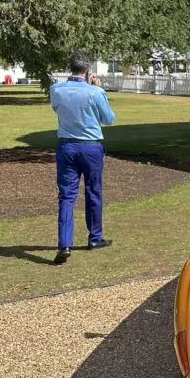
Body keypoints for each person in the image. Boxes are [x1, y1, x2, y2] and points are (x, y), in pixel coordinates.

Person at [50, 52, 116, 265]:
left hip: (67, 145)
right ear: (87, 68)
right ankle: (95, 237)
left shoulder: (56, 89)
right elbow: (108, 119)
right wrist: (98, 89)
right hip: (90, 146)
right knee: (93, 191)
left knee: (66, 196)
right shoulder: (95, 92)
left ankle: (64, 244)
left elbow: (57, 109)